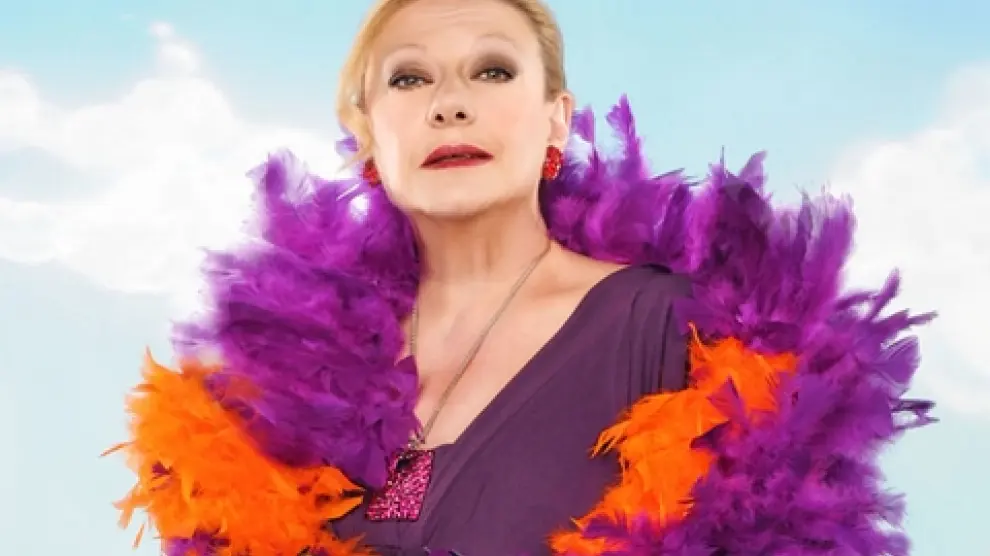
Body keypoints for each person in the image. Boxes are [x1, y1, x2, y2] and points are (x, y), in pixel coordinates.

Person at [106, 0, 935, 554]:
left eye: (493, 71)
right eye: (409, 78)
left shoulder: (674, 333)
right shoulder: (275, 393)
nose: (450, 103)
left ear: (555, 122)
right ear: (368, 140)